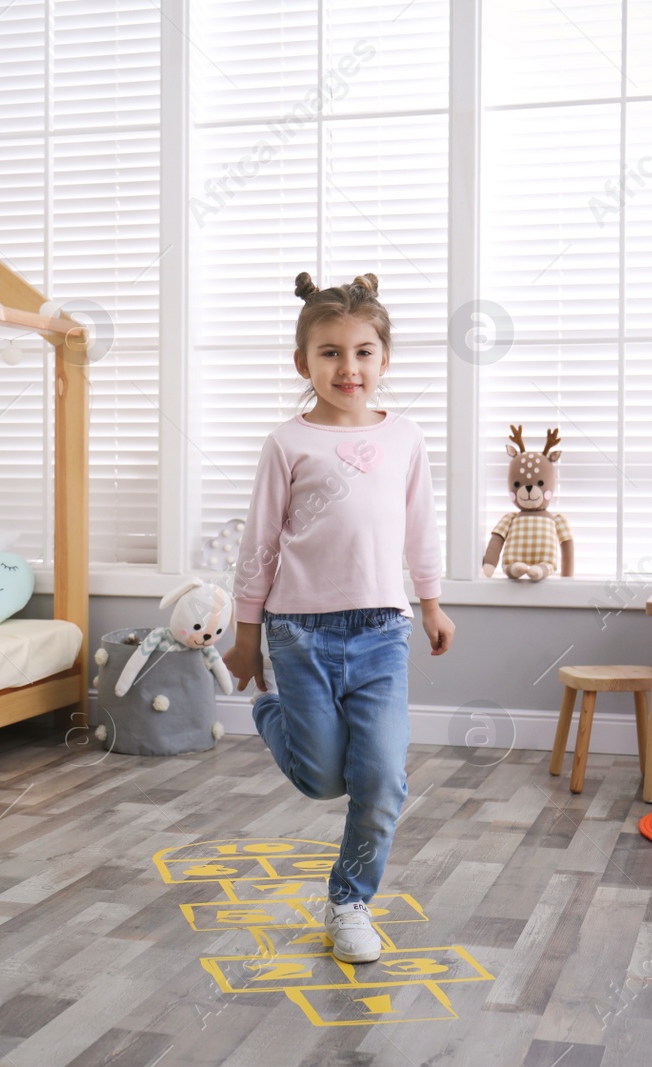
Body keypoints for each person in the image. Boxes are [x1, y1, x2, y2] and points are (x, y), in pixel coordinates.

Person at [222, 270, 455, 965]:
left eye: (361, 352)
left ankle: (349, 898)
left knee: (382, 778)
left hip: (383, 631)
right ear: (304, 363)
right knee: (322, 778)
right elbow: (259, 544)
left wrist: (434, 601)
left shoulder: (405, 437)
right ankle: (269, 715)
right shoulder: (287, 443)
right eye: (329, 353)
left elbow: (421, 528)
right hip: (299, 634)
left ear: (383, 359)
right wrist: (244, 639)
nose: (347, 367)